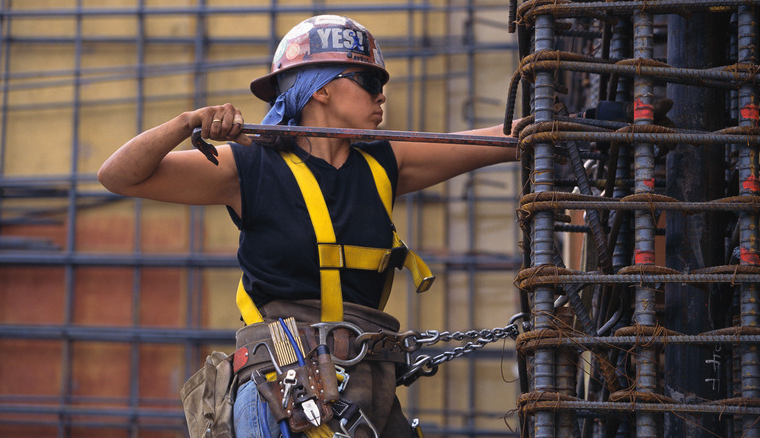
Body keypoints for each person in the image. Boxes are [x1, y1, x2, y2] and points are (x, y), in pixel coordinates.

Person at [98, 14, 516, 438]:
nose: (382, 96)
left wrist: (560, 124)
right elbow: (117, 176)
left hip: (365, 387)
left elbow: (497, 142)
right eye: (369, 82)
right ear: (322, 88)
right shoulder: (249, 167)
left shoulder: (384, 162)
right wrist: (186, 122)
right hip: (283, 390)